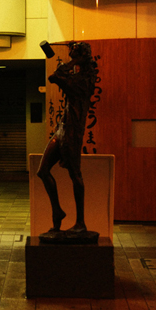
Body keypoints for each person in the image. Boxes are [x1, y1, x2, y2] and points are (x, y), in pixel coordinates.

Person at [37, 42, 98, 235]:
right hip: (62, 128)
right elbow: (57, 76)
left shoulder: (84, 82)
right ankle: (58, 211)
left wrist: (72, 62)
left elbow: (55, 76)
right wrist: (74, 62)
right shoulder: (78, 78)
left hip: (72, 132)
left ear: (81, 59)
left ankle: (81, 222)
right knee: (42, 171)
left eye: (75, 56)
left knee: (75, 175)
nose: (72, 59)